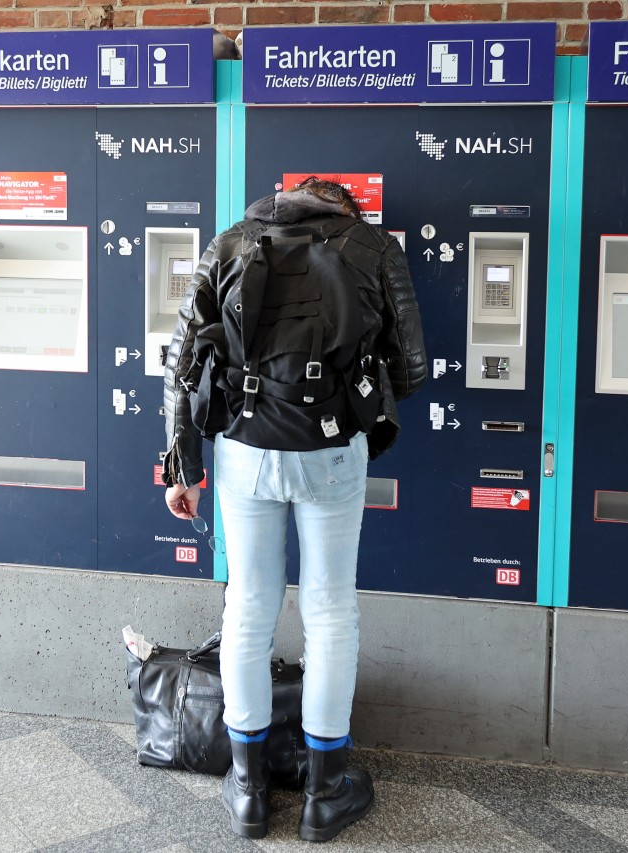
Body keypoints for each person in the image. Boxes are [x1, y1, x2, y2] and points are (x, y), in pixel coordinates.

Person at [160, 177, 426, 842]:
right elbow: (411, 368)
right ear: (345, 208)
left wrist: (181, 464)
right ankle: (324, 791)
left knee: (249, 603)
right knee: (330, 607)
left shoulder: (230, 243)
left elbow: (184, 361)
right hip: (332, 448)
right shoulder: (374, 247)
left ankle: (249, 791)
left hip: (246, 449)